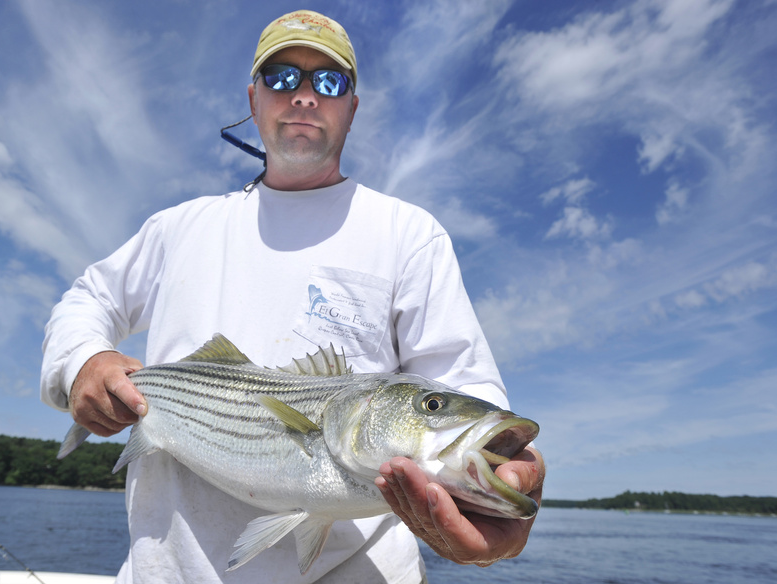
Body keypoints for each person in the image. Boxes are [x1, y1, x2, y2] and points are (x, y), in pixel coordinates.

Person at [41, 9, 544, 583]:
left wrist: (512, 473)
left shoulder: (408, 232)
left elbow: (465, 390)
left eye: (329, 81)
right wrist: (85, 359)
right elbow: (87, 300)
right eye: (282, 77)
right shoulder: (179, 227)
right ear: (253, 98)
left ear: (351, 108)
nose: (304, 95)